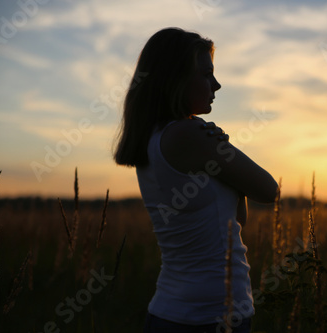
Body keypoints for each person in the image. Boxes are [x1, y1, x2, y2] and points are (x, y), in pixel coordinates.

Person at [113, 27, 278, 333]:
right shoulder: (186, 135)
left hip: (180, 313)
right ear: (174, 79)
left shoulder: (158, 137)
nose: (216, 84)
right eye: (206, 74)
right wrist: (222, 148)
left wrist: (221, 160)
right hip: (206, 318)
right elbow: (270, 190)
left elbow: (237, 220)